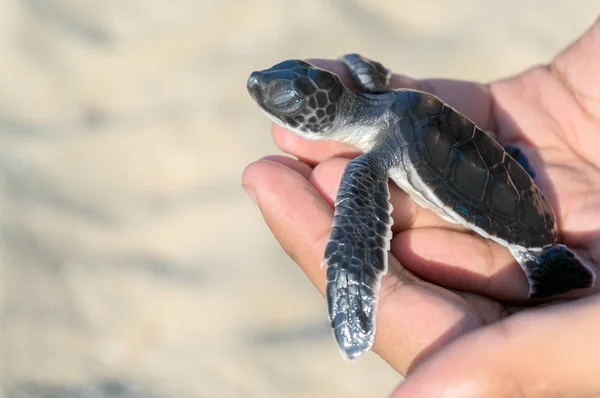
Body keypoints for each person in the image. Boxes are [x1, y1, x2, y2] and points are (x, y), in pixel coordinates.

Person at [242, 18, 600, 397]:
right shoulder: (393, 96)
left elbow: (355, 240)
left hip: (518, 220)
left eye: (285, 102)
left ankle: (544, 261)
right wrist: (362, 67)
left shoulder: (368, 161)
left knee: (353, 199)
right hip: (510, 172)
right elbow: (370, 73)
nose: (257, 84)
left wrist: (353, 288)